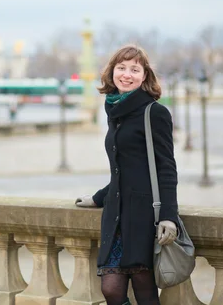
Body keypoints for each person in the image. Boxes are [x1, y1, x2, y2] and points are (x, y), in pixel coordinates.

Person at [75, 45, 179, 305]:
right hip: (117, 213)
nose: (127, 74)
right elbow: (124, 170)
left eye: (135, 69)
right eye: (121, 68)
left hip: (143, 215)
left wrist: (169, 216)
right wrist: (99, 197)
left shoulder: (154, 112)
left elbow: (166, 168)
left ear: (145, 76)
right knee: (111, 289)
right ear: (112, 73)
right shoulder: (115, 113)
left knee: (144, 289)